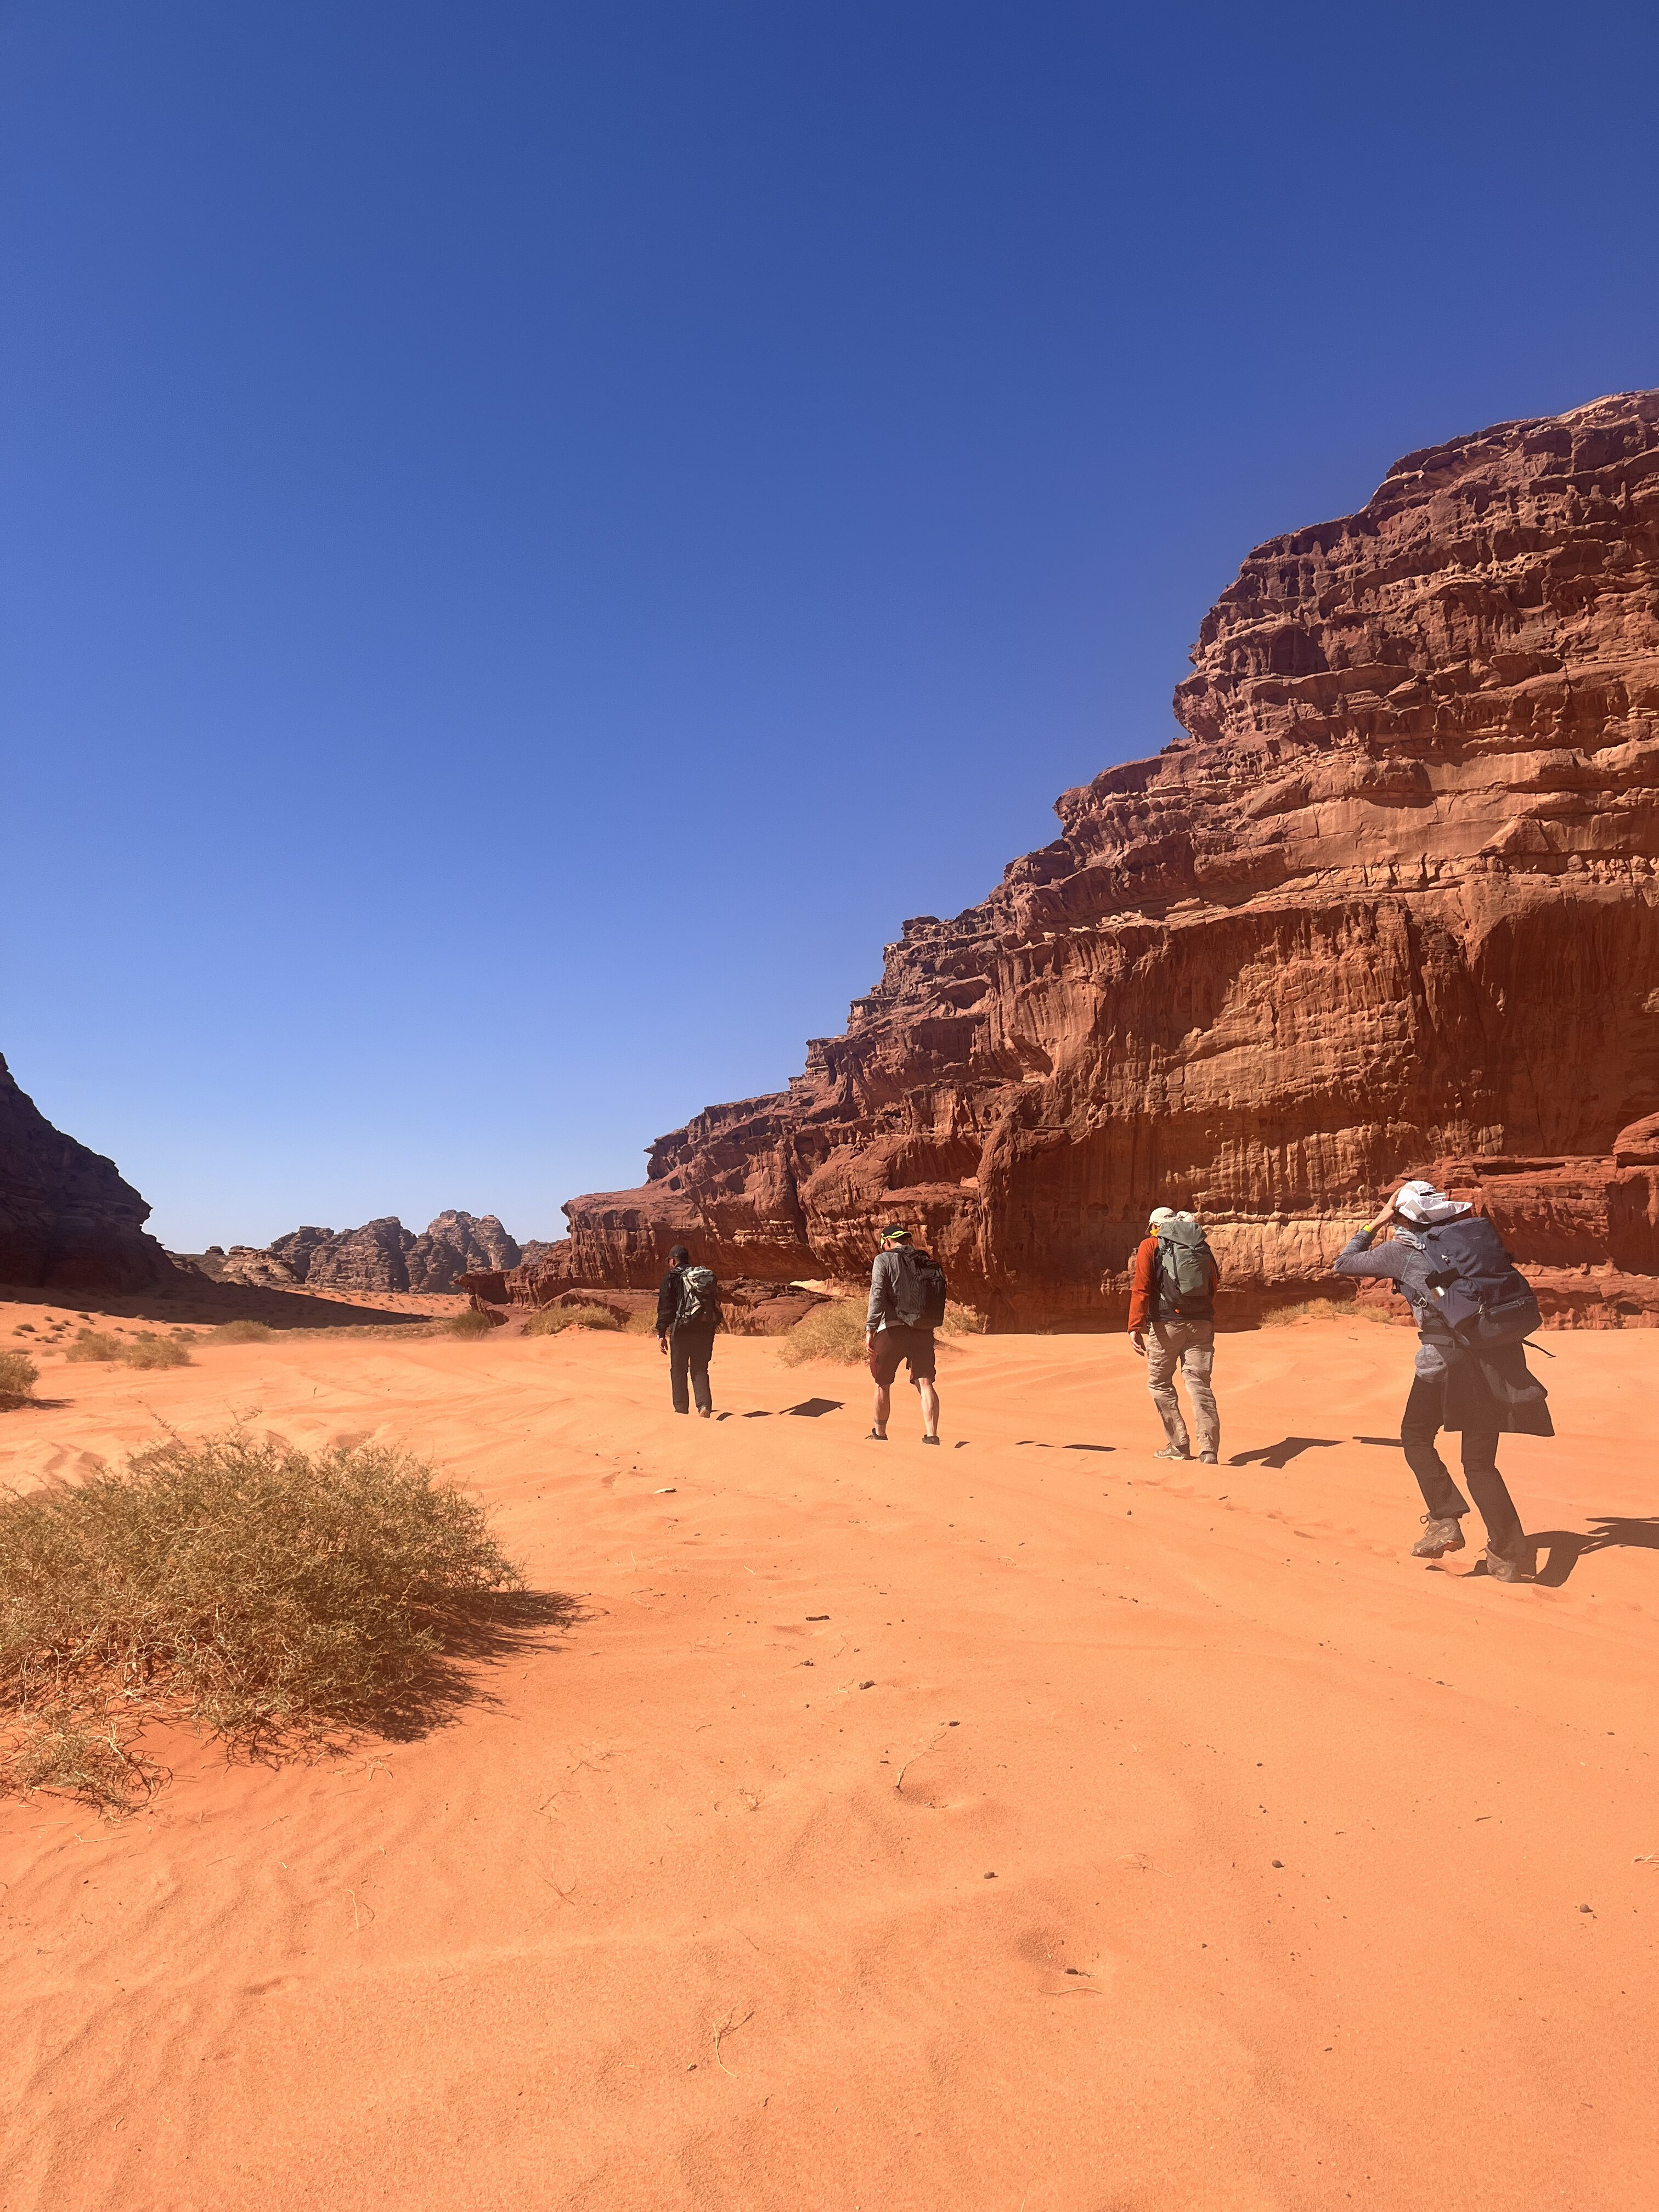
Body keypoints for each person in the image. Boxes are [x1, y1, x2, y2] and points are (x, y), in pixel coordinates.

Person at [1334, 1181, 1548, 1581]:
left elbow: (1344, 1263)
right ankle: (1511, 1554)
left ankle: (1445, 1519)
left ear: (1402, 1217)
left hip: (1446, 1361)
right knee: (1480, 1464)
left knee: (1415, 1436)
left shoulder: (1400, 1251)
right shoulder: (1470, 1240)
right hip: (1495, 1351)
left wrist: (1377, 1221)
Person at [1128, 1206, 1221, 1463]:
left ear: (1154, 1226)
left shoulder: (1150, 1245)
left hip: (1166, 1325)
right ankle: (1209, 1449)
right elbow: (1214, 1283)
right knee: (1200, 1385)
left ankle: (1179, 1444)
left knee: (1159, 1383)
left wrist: (1135, 1326)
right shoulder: (1199, 1244)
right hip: (1202, 1323)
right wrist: (1202, 1314)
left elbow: (1141, 1288)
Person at [865, 1224, 945, 1444]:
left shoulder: (883, 1259)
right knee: (925, 1382)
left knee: (882, 1383)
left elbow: (877, 1294)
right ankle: (932, 1435)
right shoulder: (924, 1261)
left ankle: (880, 1434)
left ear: (887, 1242)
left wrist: (870, 1328)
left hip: (892, 1330)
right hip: (922, 1330)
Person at [656, 1243, 721, 1417]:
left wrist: (661, 1333)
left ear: (673, 1261)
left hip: (682, 1330)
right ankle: (704, 1406)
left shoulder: (671, 1277)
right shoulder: (701, 1276)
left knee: (678, 1370)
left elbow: (665, 1308)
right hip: (705, 1329)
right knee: (700, 1368)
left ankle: (681, 1411)